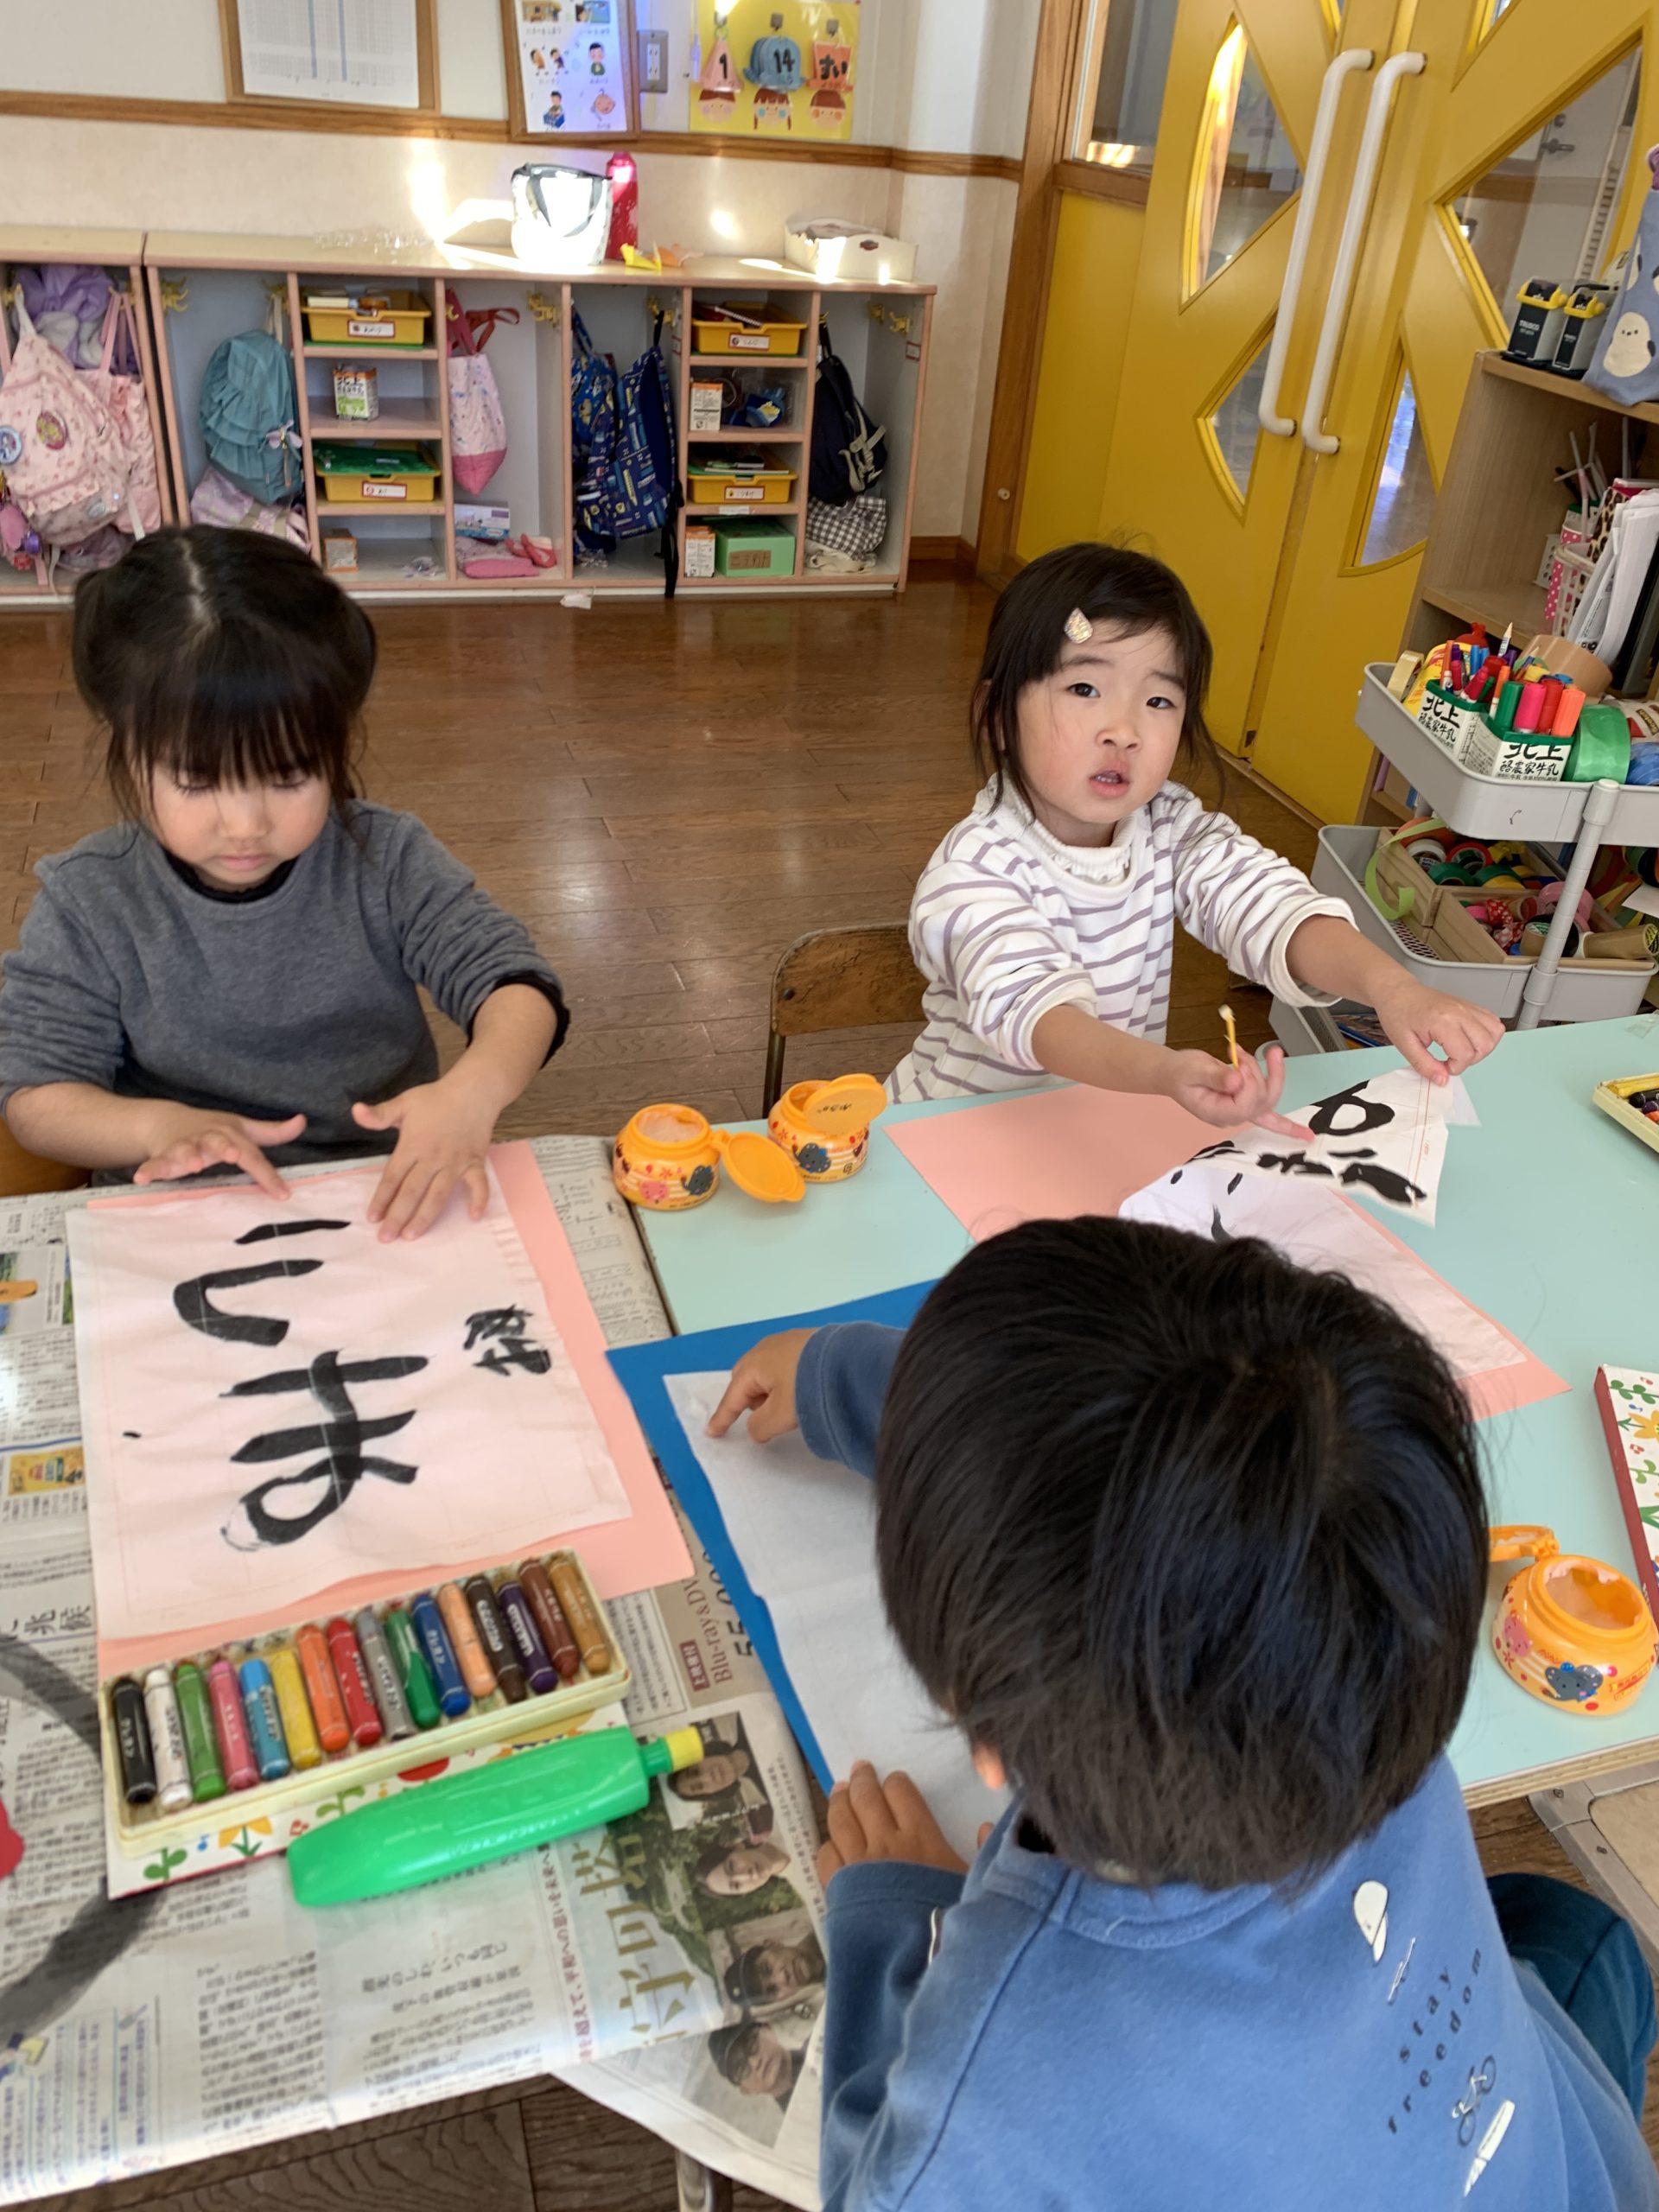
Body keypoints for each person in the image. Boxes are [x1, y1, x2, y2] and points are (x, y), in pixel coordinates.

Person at [707, 1220, 1659, 2210]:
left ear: (985, 1739)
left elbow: (880, 2185)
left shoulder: (997, 2070)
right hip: (1561, 2168)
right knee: (1581, 1936)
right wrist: (844, 1377)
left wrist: (902, 1921)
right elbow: (1132, 1476)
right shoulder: (1363, 1632)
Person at [0, 529, 567, 1241]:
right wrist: (154, 1127)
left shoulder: (385, 859)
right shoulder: (91, 900)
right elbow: (36, 1095)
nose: (245, 825)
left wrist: (472, 1093)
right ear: (126, 745)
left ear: (336, 743)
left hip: (377, 1194)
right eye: (197, 781)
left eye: (289, 775)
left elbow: (517, 985)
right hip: (180, 1209)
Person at [889, 543, 1503, 1119]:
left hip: (1097, 1126)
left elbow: (1268, 905)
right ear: (996, 718)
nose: (1124, 730)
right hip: (949, 1135)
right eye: (1084, 688)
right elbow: (1038, 1017)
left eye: (1158, 702)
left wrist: (1393, 988)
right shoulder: (975, 868)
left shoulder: (1170, 827)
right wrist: (1163, 1073)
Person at [724, 1930, 826, 2010]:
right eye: (773, 1990)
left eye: (767, 1968)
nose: (782, 1978)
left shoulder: (827, 1923)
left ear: (772, 1944)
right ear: (784, 1999)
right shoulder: (832, 2004)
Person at [694, 1832, 792, 1898]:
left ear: (734, 1846)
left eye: (731, 1867)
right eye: (736, 1885)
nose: (745, 1875)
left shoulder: (781, 1820)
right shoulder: (800, 1884)